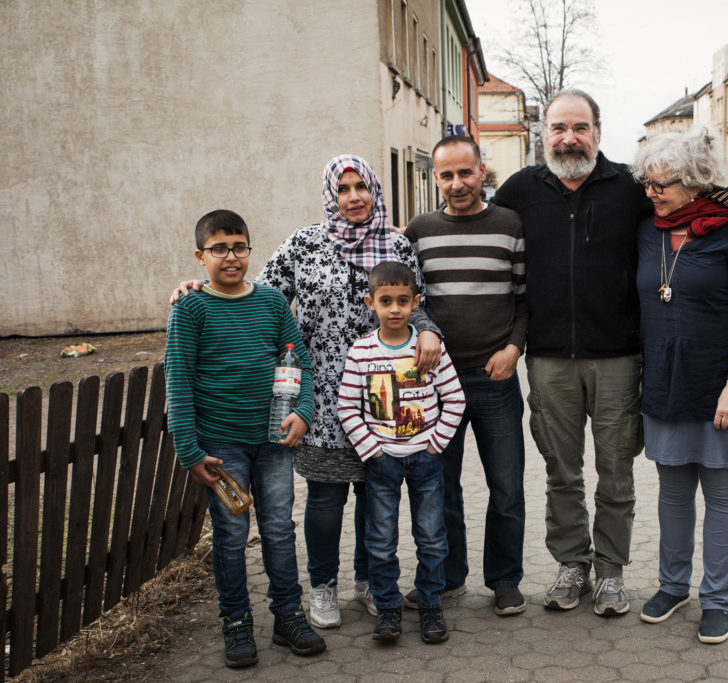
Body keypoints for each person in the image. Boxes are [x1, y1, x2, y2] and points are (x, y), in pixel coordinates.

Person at [171, 155, 443, 629]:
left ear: (375, 191)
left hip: (382, 394)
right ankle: (322, 588)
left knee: (374, 493)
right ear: (330, 195)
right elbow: (254, 292)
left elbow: (416, 304)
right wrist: (195, 286)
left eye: (362, 186)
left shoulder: (397, 243)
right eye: (344, 188)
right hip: (319, 394)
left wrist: (429, 331)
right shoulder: (305, 243)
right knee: (325, 496)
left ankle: (369, 582)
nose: (354, 196)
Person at [492, 89, 648, 616]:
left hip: (618, 358)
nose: (569, 138)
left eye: (579, 127)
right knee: (562, 471)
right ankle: (571, 565)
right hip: (550, 358)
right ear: (545, 135)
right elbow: (475, 229)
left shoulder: (630, 187)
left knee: (616, 472)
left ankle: (610, 572)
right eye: (559, 128)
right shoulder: (519, 190)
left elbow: (684, 205)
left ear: (598, 132)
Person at [165, 209, 326, 668]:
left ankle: (287, 616)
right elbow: (178, 382)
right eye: (219, 249)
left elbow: (300, 364)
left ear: (250, 250)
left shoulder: (273, 302)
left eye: (239, 247)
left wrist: (304, 413)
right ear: (201, 255)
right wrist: (189, 451)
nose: (231, 257)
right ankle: (235, 621)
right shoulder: (190, 308)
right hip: (221, 447)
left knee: (278, 529)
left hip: (273, 441)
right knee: (231, 535)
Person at [631, 129, 728, 644]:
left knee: (721, 493)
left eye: (660, 183)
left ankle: (717, 599)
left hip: (721, 381)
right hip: (666, 380)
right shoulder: (646, 232)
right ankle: (673, 586)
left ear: (692, 183)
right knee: (672, 491)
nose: (651, 192)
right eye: (647, 183)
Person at [401, 135, 529, 617]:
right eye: (446, 175)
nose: (457, 184)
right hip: (435, 382)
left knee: (507, 485)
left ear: (482, 171)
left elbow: (523, 299)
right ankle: (449, 576)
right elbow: (408, 300)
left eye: (465, 172)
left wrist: (514, 347)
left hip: (495, 377)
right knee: (439, 484)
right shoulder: (419, 231)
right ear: (436, 177)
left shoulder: (509, 225)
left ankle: (504, 580)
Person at [336, 261, 466, 644]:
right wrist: (373, 451)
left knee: (431, 537)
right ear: (370, 303)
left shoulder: (428, 348)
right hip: (382, 462)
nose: (395, 309)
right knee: (380, 540)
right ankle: (389, 609)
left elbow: (454, 399)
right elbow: (348, 407)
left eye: (403, 301)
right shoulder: (361, 351)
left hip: (425, 458)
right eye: (386, 301)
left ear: (416, 302)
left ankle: (429, 606)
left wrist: (435, 443)